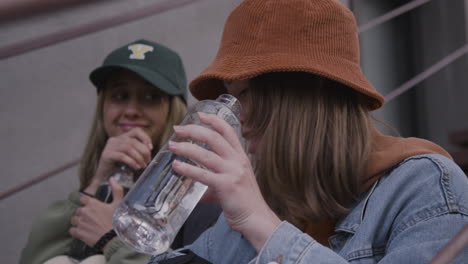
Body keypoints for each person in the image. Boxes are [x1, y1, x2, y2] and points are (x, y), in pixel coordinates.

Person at [148, 0, 468, 263]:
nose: (236, 119)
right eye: (227, 97)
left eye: (243, 94)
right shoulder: (275, 196)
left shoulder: (426, 188)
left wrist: (262, 226)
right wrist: (133, 226)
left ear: (305, 96)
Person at [19, 39, 221, 264]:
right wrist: (96, 183)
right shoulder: (101, 186)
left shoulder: (197, 198)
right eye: (120, 95)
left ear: (173, 109)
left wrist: (114, 238)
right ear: (103, 106)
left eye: (150, 97)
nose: (131, 110)